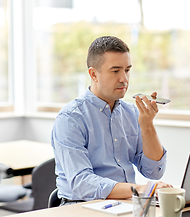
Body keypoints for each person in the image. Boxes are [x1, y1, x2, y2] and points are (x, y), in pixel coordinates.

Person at [51, 36, 172, 206]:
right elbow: (82, 183)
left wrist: (147, 125)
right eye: (115, 71)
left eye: (127, 70)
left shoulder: (131, 113)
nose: (124, 79)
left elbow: (154, 172)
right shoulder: (71, 118)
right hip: (81, 206)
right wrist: (140, 190)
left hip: (126, 204)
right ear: (94, 74)